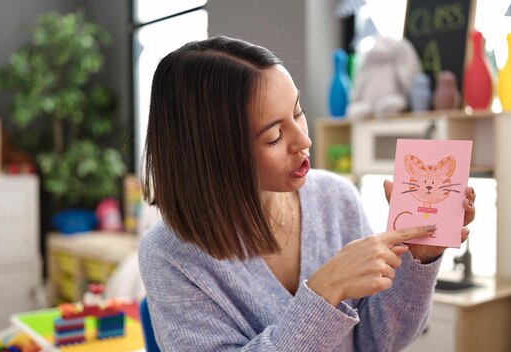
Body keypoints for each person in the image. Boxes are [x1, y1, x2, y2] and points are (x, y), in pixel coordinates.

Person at [138, 36, 476, 351]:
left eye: (298, 113)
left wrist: (420, 259)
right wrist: (325, 290)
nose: (303, 141)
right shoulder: (169, 254)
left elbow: (377, 340)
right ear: (214, 153)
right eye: (274, 136)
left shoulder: (336, 198)